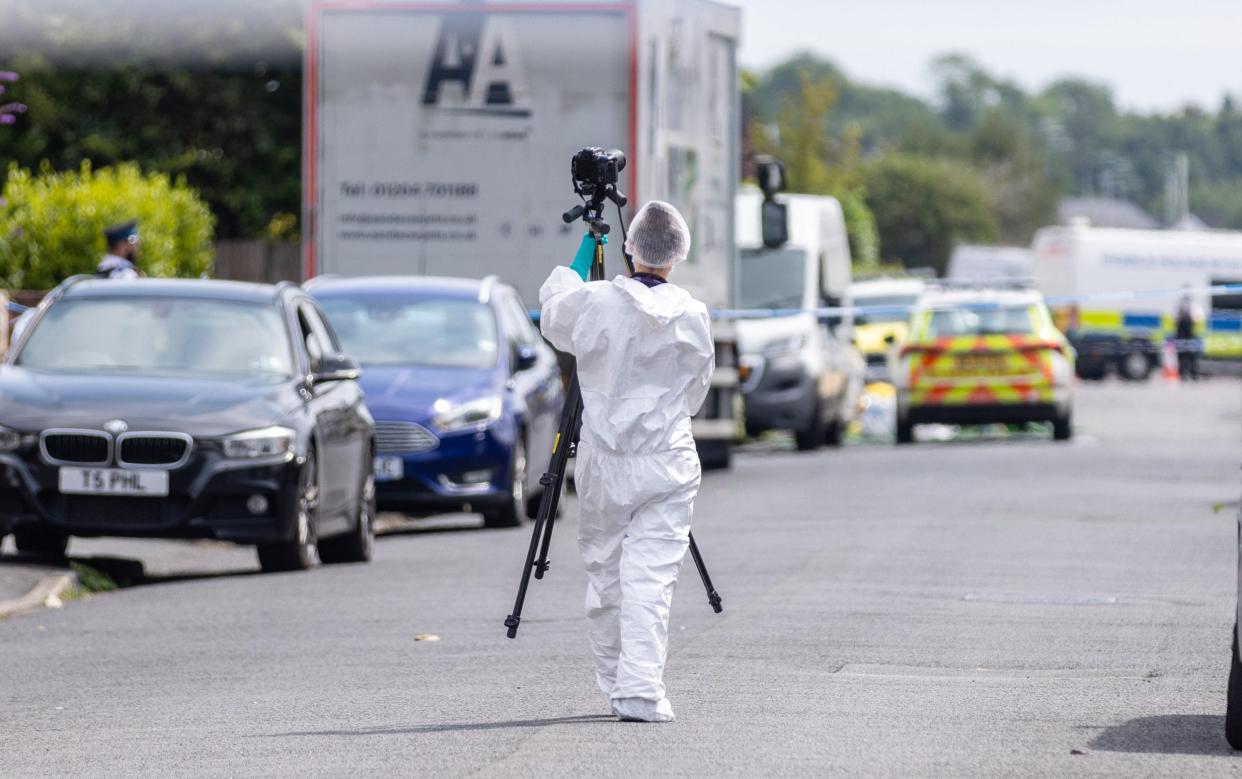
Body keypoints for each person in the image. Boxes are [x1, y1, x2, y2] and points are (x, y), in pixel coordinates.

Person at [539, 201, 714, 723]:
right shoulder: (692, 315)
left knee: (607, 574)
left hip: (604, 460)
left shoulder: (594, 302)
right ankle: (639, 688)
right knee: (651, 576)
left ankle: (618, 683)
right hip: (667, 460)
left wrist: (584, 248)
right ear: (678, 254)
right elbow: (696, 395)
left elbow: (554, 310)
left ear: (629, 247)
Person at [1174, 293, 1201, 381]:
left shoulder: (1194, 306)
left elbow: (1197, 318)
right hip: (1181, 334)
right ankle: (1182, 375)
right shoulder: (1178, 306)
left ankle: (1193, 375)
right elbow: (1175, 319)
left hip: (1190, 334)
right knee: (1181, 355)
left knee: (1192, 356)